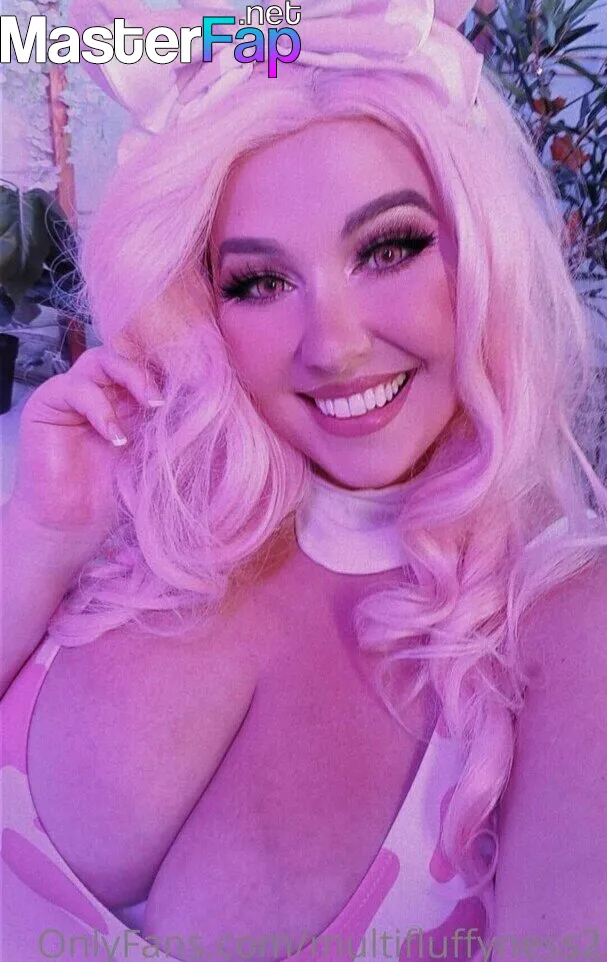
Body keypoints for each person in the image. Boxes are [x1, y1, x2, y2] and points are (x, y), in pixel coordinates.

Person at [2, 1, 607, 960]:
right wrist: (41, 537)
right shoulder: (126, 504)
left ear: (485, 249)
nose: (333, 346)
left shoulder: (565, 617)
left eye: (389, 248)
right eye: (258, 282)